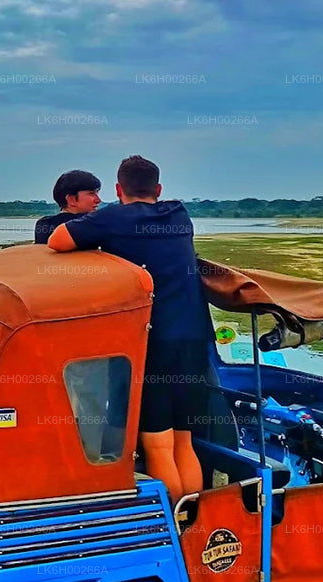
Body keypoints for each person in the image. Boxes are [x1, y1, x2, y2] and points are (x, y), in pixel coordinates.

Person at [47, 155, 210, 502]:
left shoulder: (113, 218)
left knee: (158, 445)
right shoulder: (179, 213)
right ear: (159, 189)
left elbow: (57, 240)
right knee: (184, 440)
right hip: (195, 340)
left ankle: (176, 534)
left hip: (155, 342)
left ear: (119, 190)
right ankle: (196, 528)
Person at [34, 170, 101, 244]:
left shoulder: (43, 223)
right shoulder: (90, 223)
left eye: (97, 192)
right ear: (71, 199)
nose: (98, 200)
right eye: (91, 193)